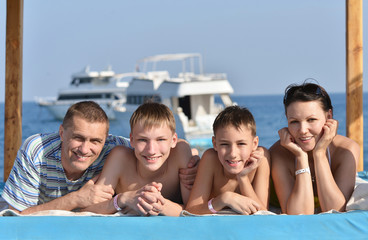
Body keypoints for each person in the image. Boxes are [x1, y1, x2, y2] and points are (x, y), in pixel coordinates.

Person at [1, 101, 198, 215]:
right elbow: (14, 219)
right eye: (78, 138)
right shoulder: (37, 151)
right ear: (62, 133)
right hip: (30, 212)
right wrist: (77, 198)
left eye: (95, 141)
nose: (85, 149)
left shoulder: (117, 148)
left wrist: (194, 158)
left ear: (106, 140)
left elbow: (154, 147)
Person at [82, 102, 192, 216]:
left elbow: (194, 211)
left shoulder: (180, 153)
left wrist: (154, 203)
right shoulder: (120, 159)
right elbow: (88, 210)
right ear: (132, 140)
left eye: (160, 140)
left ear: (173, 140)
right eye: (143, 140)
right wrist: (123, 199)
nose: (151, 150)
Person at [270, 82, 360, 215]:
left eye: (311, 120)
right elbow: (297, 214)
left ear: (328, 117)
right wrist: (301, 157)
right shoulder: (279, 153)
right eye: (294, 122)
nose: (302, 130)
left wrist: (319, 153)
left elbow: (335, 211)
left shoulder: (346, 150)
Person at [185, 106, 270, 215]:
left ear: (254, 144)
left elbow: (264, 215)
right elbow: (190, 212)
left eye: (241, 144)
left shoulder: (261, 160)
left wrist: (243, 178)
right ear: (215, 144)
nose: (233, 154)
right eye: (225, 144)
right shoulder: (210, 159)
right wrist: (225, 199)